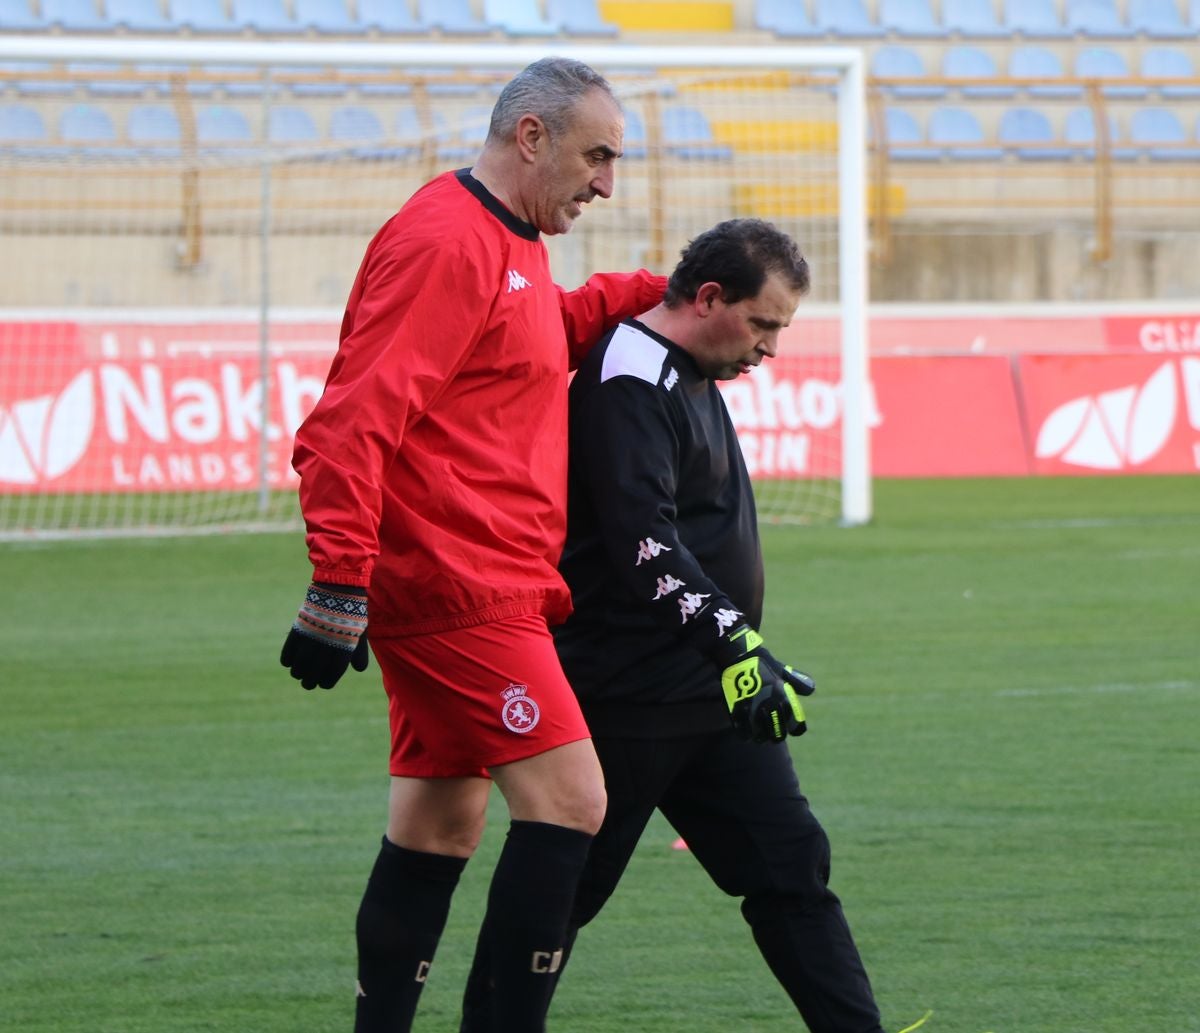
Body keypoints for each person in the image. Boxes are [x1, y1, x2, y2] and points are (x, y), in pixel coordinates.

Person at [278, 57, 667, 1033]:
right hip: (458, 584)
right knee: (575, 802)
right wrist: (337, 585)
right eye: (597, 155)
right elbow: (351, 422)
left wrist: (664, 289)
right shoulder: (449, 240)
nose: (606, 183)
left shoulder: (512, 241)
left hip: (484, 577)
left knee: (441, 824)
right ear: (530, 136)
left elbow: (524, 342)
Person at [460, 218, 887, 1033]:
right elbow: (642, 541)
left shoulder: (691, 370)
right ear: (710, 297)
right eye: (762, 324)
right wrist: (735, 640)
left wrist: (736, 652)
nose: (769, 349)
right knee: (562, 892)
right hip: (624, 695)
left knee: (791, 866)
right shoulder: (628, 375)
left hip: (709, 691)